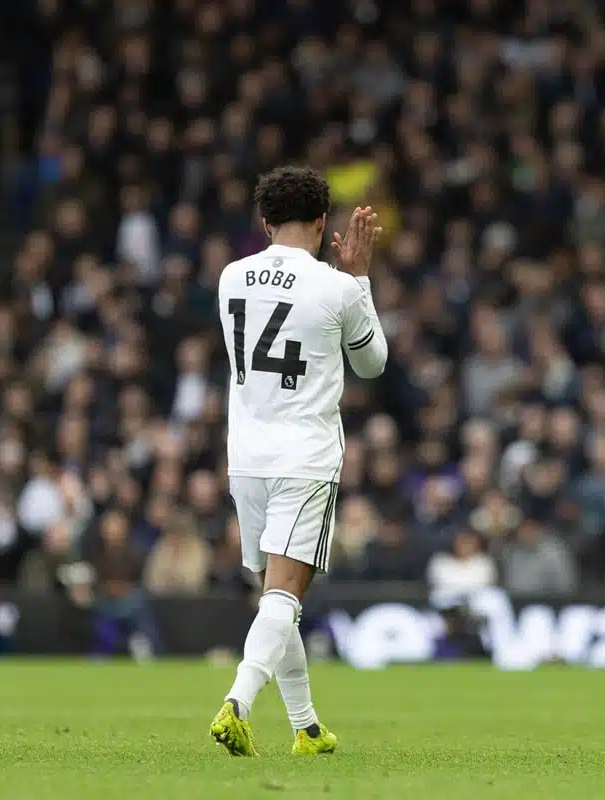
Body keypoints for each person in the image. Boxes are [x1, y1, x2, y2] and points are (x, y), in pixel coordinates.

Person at [209, 166, 387, 757]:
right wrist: (359, 277)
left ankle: (307, 729)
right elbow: (373, 363)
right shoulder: (334, 286)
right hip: (305, 457)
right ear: (321, 223)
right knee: (285, 596)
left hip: (247, 458)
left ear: (264, 221)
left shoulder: (231, 277)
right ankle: (237, 702)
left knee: (275, 598)